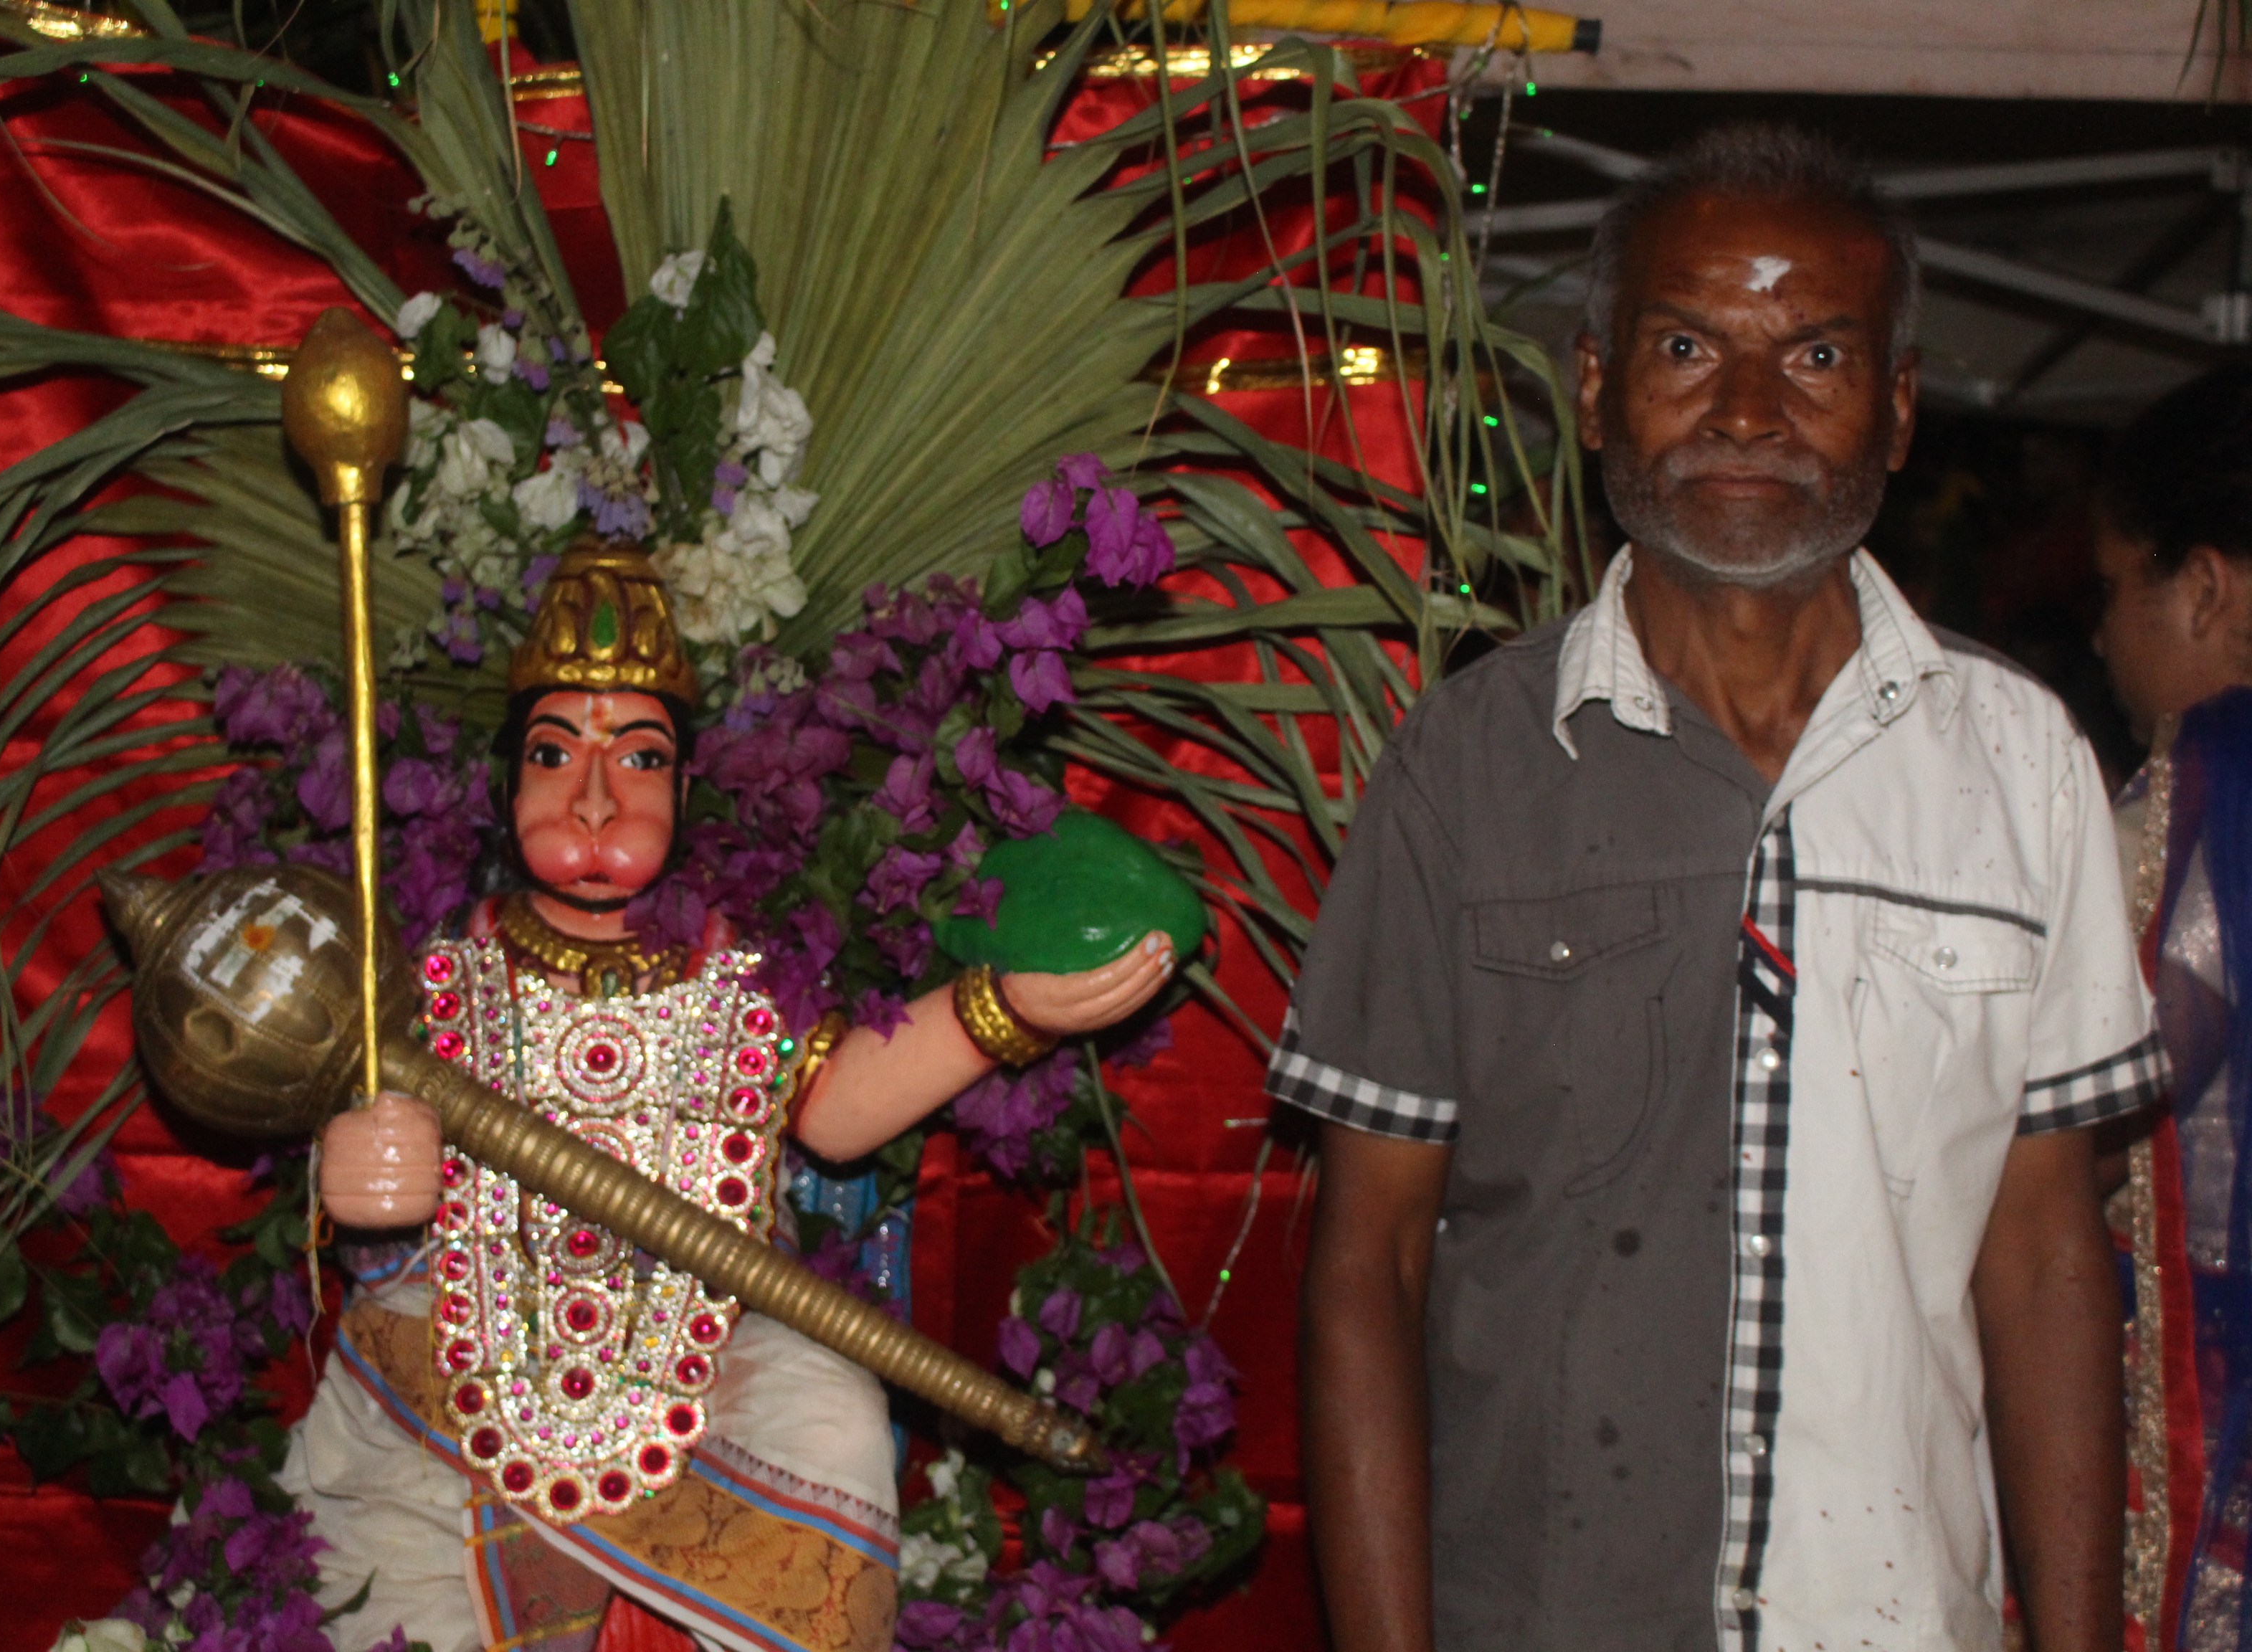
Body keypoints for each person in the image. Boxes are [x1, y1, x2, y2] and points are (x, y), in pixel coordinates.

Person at [1273, 125, 2163, 1652]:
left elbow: (2043, 1252)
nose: (1748, 411)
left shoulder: (2020, 765)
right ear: (1601, 380)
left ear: (1896, 408)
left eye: (1816, 355)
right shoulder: (1468, 769)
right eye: (1688, 345)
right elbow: (1368, 1262)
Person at [281, 538, 1174, 1652]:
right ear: (508, 782)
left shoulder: (740, 972)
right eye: (556, 755)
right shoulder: (433, 979)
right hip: (467, 1337)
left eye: (640, 760)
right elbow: (361, 1176)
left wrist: (1007, 1009)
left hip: (704, 1351)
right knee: (380, 1488)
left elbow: (838, 1115)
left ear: (688, 787)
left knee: (835, 1412)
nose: (597, 799)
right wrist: (366, 1191)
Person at [2091, 365, 2252, 1651]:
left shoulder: (2203, 805)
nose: (2099, 638)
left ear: (2203, 586)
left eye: (2111, 587)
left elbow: (2111, 1083)